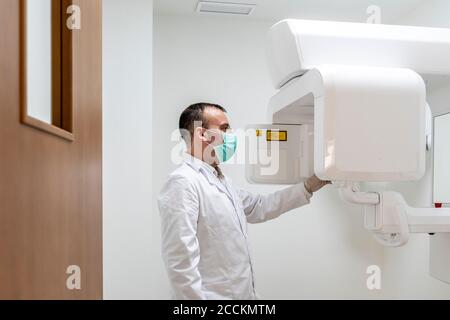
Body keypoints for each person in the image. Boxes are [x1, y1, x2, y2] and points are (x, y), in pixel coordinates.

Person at [158, 102, 330, 300]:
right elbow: (180, 262)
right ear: (202, 135)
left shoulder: (220, 181)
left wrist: (309, 185)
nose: (230, 135)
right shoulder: (183, 182)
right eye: (224, 129)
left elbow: (260, 206)